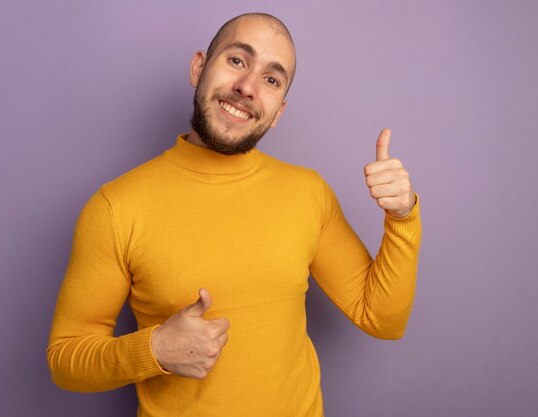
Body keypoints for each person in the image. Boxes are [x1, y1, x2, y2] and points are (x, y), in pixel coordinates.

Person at [47, 12, 421, 417]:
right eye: (237, 60)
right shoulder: (116, 208)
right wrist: (153, 350)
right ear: (198, 67)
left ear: (278, 112)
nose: (247, 87)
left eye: (272, 79)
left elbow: (382, 319)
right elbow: (65, 360)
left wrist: (402, 217)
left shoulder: (308, 193)